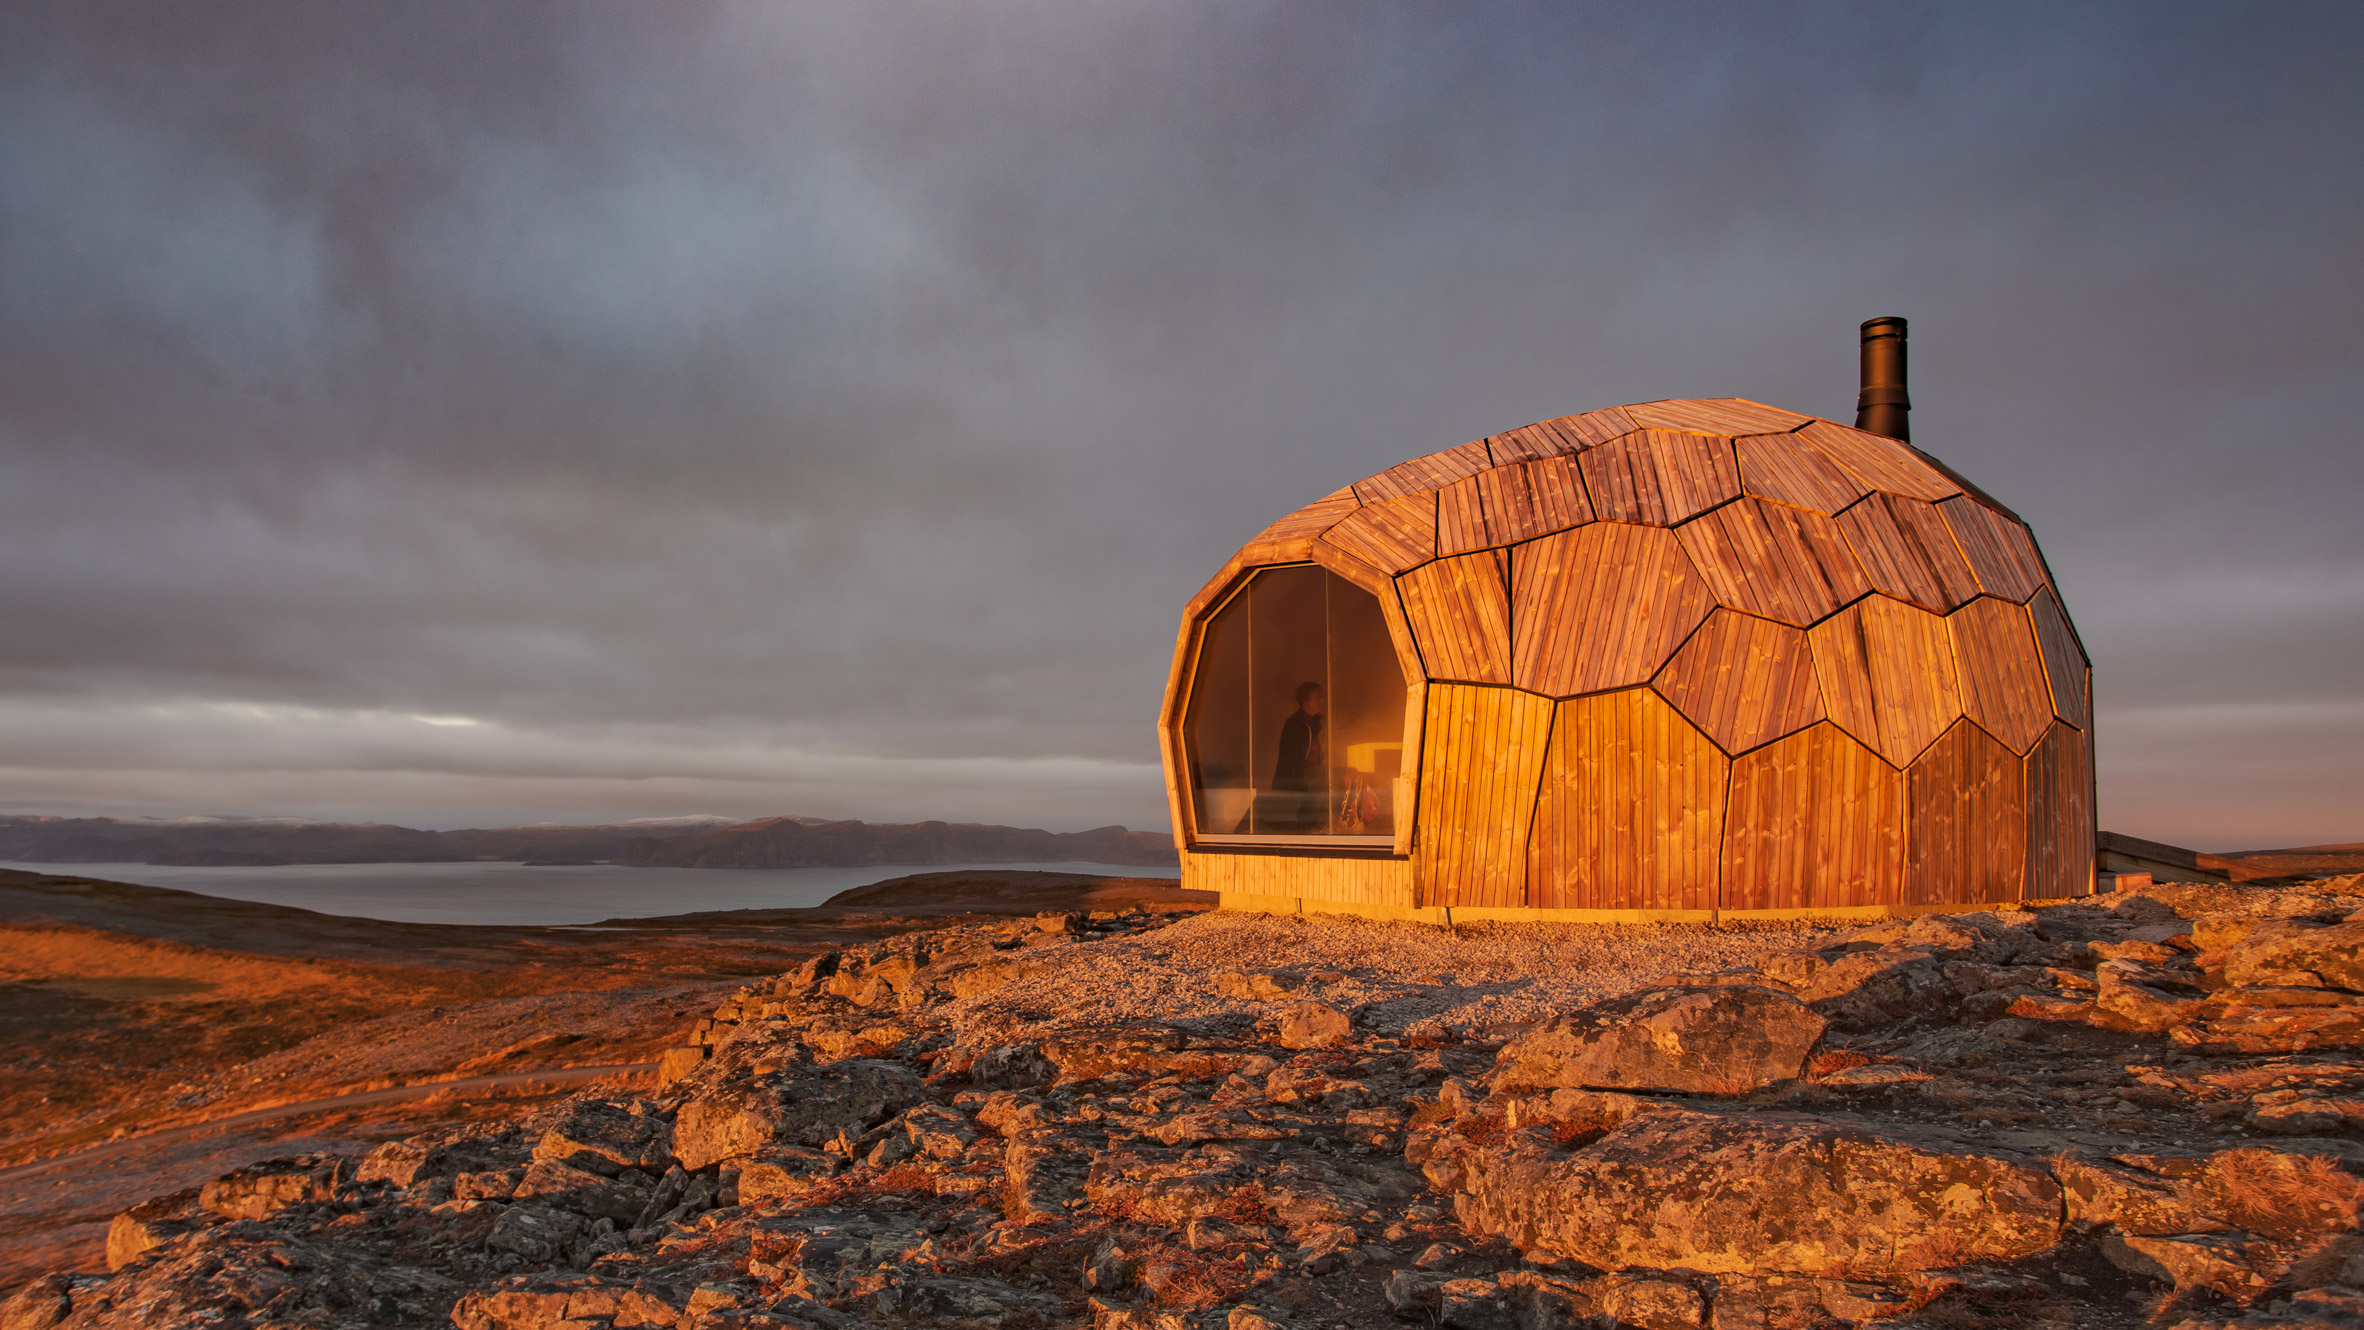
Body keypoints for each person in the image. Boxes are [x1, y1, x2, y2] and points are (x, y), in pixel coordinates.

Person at [1265, 681, 1327, 833]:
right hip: (1296, 779)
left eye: (1322, 697)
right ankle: (1308, 827)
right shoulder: (1294, 725)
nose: (1322, 701)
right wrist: (1313, 771)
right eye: (1317, 697)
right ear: (1305, 702)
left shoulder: (1318, 724)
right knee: (1318, 775)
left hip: (1309, 777)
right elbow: (1289, 759)